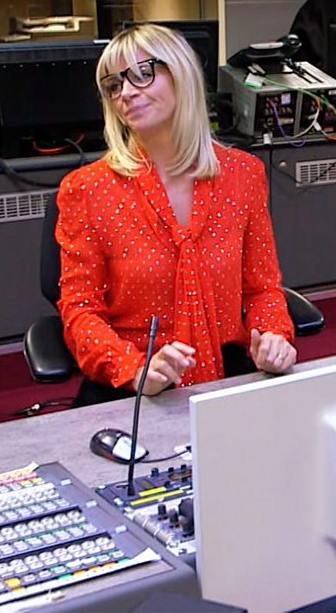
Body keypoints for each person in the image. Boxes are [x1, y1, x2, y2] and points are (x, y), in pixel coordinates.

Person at [56, 24, 297, 406]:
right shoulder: (87, 190)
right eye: (114, 85)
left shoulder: (243, 175)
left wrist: (273, 338)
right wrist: (134, 369)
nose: (126, 93)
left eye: (142, 73)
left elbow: (261, 289)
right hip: (131, 382)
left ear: (181, 74)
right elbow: (80, 311)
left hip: (226, 372)